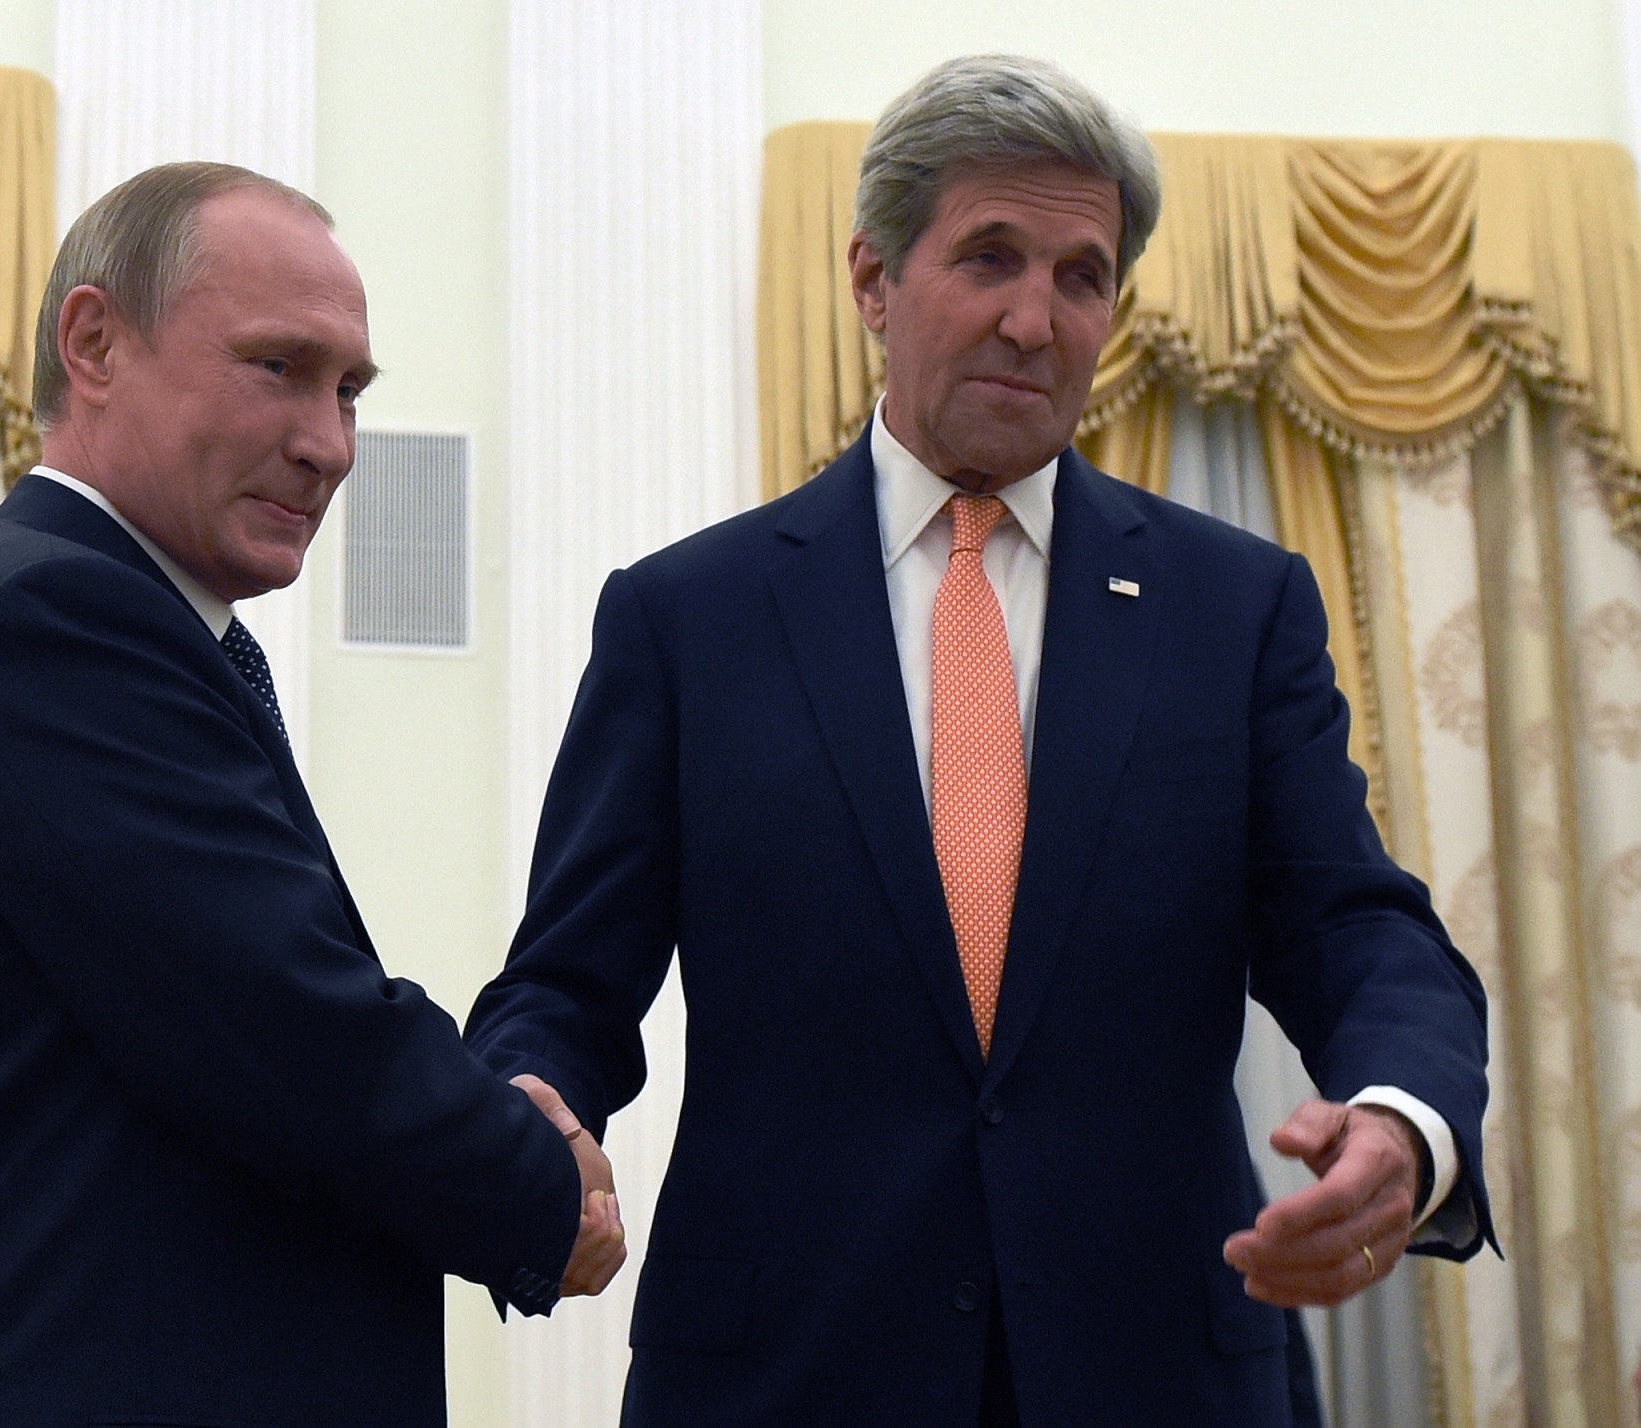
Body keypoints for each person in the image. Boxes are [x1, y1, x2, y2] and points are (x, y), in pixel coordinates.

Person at [465, 55, 1492, 1427]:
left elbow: (1354, 925)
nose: (1034, 317)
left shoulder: (1232, 608)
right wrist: (529, 1102)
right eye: (990, 258)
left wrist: (1403, 1119)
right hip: (785, 1373)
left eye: (1081, 275)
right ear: (872, 281)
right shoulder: (688, 619)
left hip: (1158, 1371)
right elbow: (568, 984)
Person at [0, 162, 624, 1428]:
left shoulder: (111, 623)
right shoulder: (53, 621)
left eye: (349, 390)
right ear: (93, 343)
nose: (330, 444)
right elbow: (289, 1030)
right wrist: (536, 1181)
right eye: (278, 369)